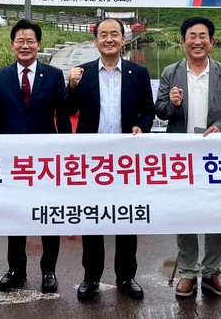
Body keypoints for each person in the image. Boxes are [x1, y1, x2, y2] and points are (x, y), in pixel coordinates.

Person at [155, 16, 221, 298]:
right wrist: (173, 104)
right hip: (181, 156)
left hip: (214, 155)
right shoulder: (170, 72)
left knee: (215, 211)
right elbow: (160, 110)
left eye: (203, 36)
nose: (197, 41)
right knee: (185, 211)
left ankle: (212, 271)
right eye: (191, 36)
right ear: (183, 41)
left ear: (211, 41)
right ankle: (188, 271)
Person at [66, 18, 155, 301]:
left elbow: (148, 111)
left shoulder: (138, 72)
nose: (109, 39)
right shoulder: (83, 73)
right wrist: (71, 86)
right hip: (92, 159)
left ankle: (126, 277)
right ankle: (91, 277)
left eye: (114, 34)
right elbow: (68, 109)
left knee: (126, 217)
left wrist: (141, 126)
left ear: (123, 39)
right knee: (93, 217)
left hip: (126, 158)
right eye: (103, 35)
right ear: (95, 41)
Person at [0, 19, 72, 293]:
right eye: (20, 41)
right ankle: (16, 269)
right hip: (12, 159)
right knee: (15, 214)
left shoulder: (53, 75)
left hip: (46, 158)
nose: (25, 46)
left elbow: (62, 115)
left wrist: (64, 149)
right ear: (12, 45)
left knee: (48, 214)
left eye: (30, 41)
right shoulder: (0, 76)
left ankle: (49, 270)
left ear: (39, 45)